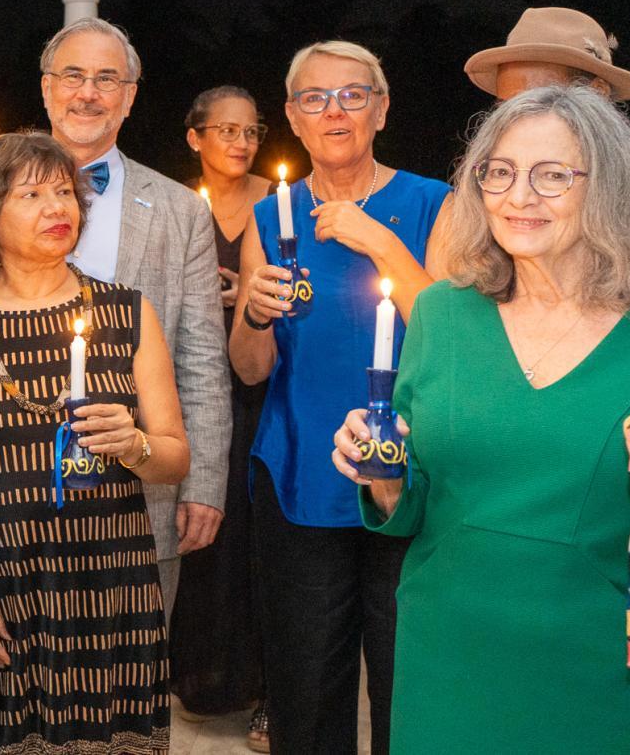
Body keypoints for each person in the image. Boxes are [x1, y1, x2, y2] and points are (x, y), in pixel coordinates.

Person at [331, 84, 630, 752]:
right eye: (498, 171)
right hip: (448, 662)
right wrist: (380, 474)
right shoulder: (442, 312)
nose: (518, 196)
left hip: (616, 681)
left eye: (552, 175)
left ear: (610, 188)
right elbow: (413, 502)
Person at [0, 17, 229, 613]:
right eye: (73, 75)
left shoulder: (179, 209)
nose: (88, 92)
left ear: (130, 97)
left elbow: (201, 358)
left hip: (134, 499)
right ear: (45, 88)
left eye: (107, 79)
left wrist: (205, 483)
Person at [0, 131, 191, 755]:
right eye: (33, 194)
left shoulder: (129, 314)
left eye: (65, 192)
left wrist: (135, 446)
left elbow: (175, 454)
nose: (58, 208)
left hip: (111, 583)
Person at [230, 40, 450, 755]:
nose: (336, 111)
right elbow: (250, 366)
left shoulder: (433, 204)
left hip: (408, 475)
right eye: (315, 98)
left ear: (381, 110)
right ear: (293, 118)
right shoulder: (271, 217)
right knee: (306, 686)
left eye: (354, 95)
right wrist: (256, 313)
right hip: (298, 474)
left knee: (408, 680)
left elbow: (454, 337)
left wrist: (378, 240)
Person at [171, 85, 272, 750]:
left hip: (264, 388)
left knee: (261, 537)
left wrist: (249, 296)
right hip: (197, 389)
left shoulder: (278, 201)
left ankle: (267, 687)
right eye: (226, 131)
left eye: (251, 131)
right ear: (195, 138)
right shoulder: (178, 206)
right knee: (205, 533)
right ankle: (200, 677)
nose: (240, 143)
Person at [463, 5, 630, 220]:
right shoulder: (490, 197)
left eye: (539, 100)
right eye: (506, 107)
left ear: (598, 92)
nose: (517, 120)